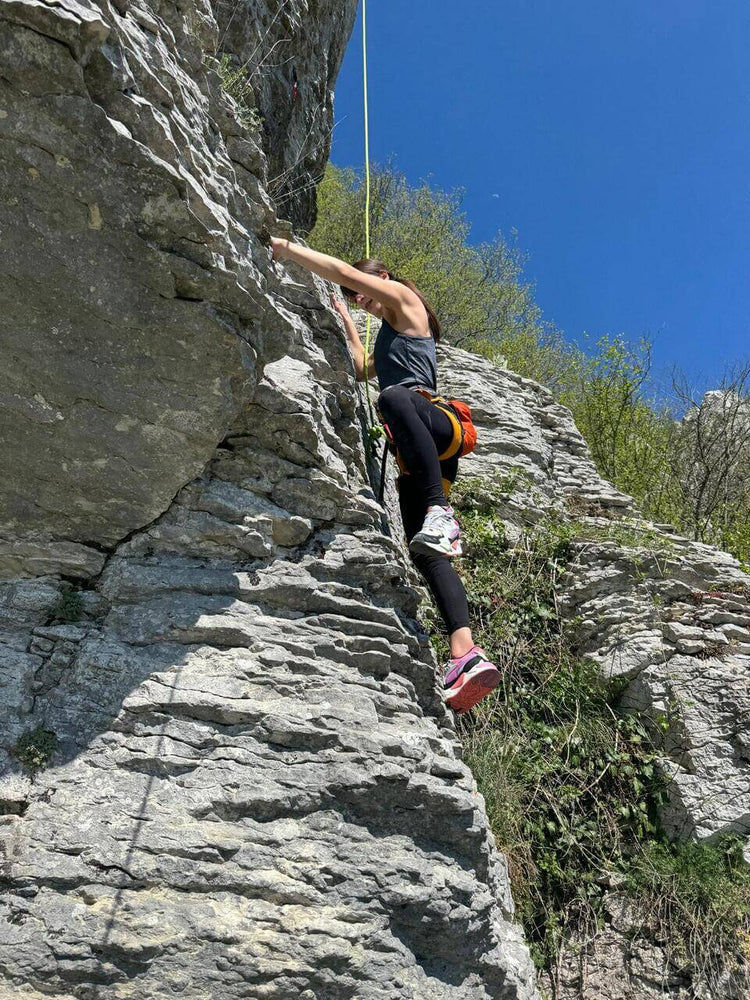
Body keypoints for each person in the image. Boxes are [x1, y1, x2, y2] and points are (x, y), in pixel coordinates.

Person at [271, 237, 500, 713]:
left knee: (393, 398)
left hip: (433, 420)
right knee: (425, 551)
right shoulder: (388, 332)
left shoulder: (405, 300)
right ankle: (465, 654)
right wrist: (347, 320)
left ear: (384, 278)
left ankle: (441, 511)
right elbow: (360, 369)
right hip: (419, 450)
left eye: (363, 289)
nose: (360, 297)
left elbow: (342, 272)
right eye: (355, 298)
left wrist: (286, 249)